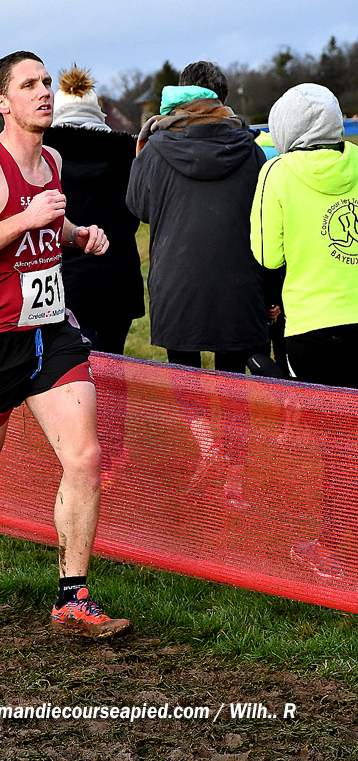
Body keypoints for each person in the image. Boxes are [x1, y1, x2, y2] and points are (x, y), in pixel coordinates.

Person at [0, 50, 131, 640]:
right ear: (2, 102)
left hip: (51, 332)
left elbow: (50, 222)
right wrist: (24, 218)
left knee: (84, 457)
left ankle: (73, 597)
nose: (44, 92)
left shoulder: (54, 159)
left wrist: (77, 235)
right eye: (29, 85)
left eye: (46, 82)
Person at [126, 60, 271, 508]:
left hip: (178, 279)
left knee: (183, 370)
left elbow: (137, 206)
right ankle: (234, 480)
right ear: (220, 99)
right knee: (232, 382)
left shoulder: (154, 147)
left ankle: (207, 446)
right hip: (240, 281)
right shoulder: (251, 149)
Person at [250, 82, 358, 580]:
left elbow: (267, 254)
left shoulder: (277, 172)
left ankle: (337, 550)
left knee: (336, 444)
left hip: (315, 329)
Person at [43, 65, 145, 354]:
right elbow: (136, 212)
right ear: (97, 113)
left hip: (67, 277)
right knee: (114, 360)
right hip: (119, 273)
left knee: (75, 364)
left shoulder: (44, 154)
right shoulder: (127, 153)